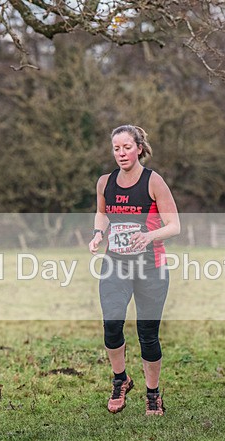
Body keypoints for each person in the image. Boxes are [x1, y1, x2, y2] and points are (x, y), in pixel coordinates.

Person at [88, 125, 180, 415]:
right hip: (115, 263)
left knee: (147, 333)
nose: (121, 153)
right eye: (116, 148)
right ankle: (121, 380)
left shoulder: (154, 182)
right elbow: (103, 213)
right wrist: (98, 234)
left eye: (126, 147)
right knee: (112, 324)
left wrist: (149, 236)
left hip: (151, 266)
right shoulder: (105, 182)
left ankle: (153, 394)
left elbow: (175, 226)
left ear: (139, 148)